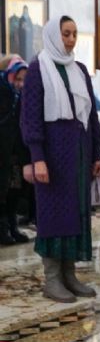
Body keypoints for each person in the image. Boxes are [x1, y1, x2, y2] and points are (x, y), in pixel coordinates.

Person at [20, 16, 100, 302]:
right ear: (54, 35)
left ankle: (70, 275)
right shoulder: (38, 69)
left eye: (74, 34)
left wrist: (96, 153)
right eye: (66, 34)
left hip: (79, 155)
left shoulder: (79, 69)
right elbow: (30, 118)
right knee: (53, 215)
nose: (70, 39)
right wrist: (37, 158)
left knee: (75, 214)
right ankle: (53, 279)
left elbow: (90, 116)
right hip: (53, 157)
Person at [0, 55, 30, 245]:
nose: (20, 84)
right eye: (17, 79)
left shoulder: (21, 96)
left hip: (15, 151)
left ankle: (12, 226)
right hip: (2, 150)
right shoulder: (4, 92)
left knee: (14, 190)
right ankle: (3, 229)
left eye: (23, 80)